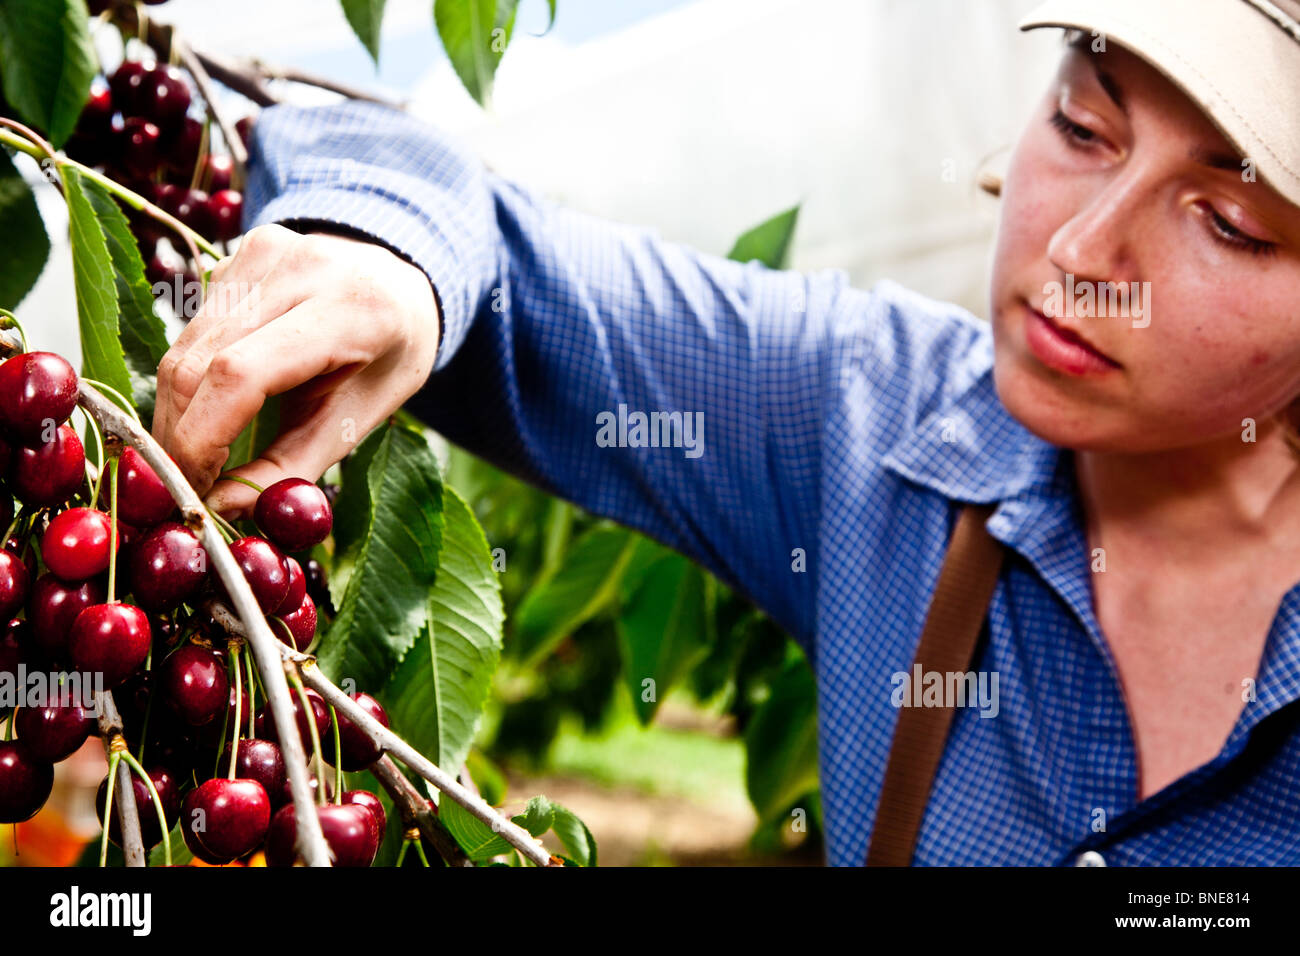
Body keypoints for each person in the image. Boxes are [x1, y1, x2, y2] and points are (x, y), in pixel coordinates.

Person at [151, 1, 1300, 865]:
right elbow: (441, 202)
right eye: (1081, 125)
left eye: (1230, 220)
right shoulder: (877, 428)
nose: (1079, 250)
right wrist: (391, 262)